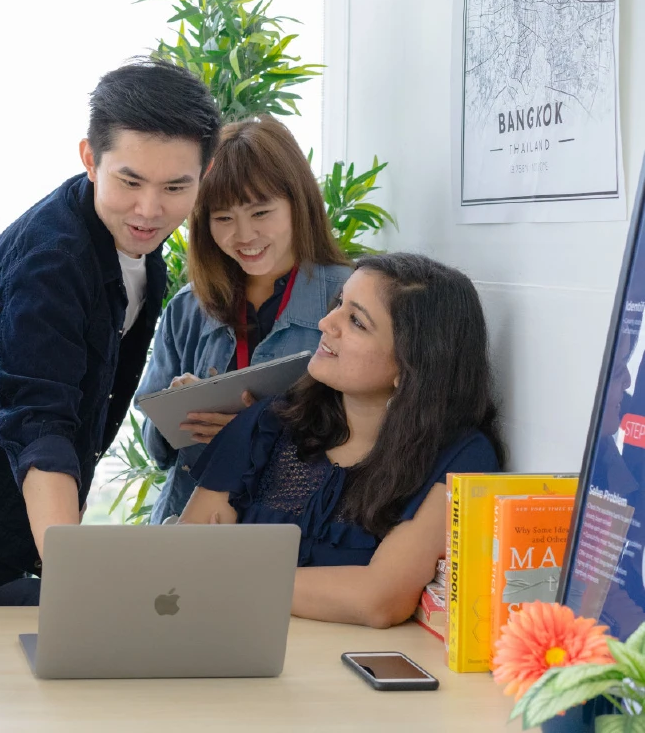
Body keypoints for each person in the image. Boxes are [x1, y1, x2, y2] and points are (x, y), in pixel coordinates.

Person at [0, 59, 222, 604]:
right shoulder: (54, 261)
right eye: (130, 181)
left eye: (176, 187)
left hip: (26, 524)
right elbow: (40, 423)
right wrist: (75, 581)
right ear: (90, 159)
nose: (149, 210)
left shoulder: (138, 249)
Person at [180, 253, 504, 629]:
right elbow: (187, 559)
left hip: (346, 670)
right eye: (339, 304)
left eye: (356, 322)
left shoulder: (460, 457)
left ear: (412, 365)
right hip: (229, 641)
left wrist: (229, 572)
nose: (325, 323)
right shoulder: (270, 421)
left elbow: (378, 600)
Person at [136, 116, 354, 523]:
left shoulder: (348, 299)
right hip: (188, 524)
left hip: (295, 533)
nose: (244, 236)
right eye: (222, 219)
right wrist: (180, 408)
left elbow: (369, 438)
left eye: (261, 212)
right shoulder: (187, 308)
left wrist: (261, 430)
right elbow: (157, 450)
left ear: (298, 203)